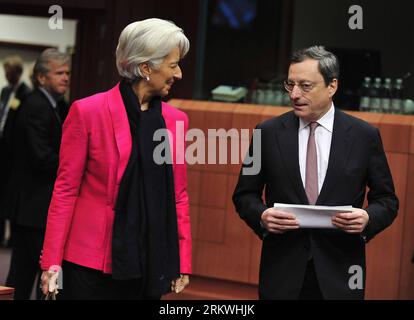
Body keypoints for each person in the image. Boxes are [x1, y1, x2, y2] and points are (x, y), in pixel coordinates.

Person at [40, 18, 192, 300]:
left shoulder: (176, 122)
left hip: (147, 258)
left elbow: (178, 196)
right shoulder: (87, 112)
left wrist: (182, 259)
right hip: (89, 263)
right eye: (173, 65)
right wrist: (51, 261)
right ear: (146, 68)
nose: (179, 74)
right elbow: (65, 190)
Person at [232, 46, 398, 300]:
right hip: (282, 274)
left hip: (341, 276)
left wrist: (367, 218)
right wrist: (262, 215)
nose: (295, 94)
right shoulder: (266, 133)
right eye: (290, 85)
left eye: (305, 86)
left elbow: (387, 200)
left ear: (332, 86)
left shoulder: (364, 136)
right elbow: (244, 195)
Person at [4, 48, 70, 299]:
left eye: (67, 73)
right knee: (34, 274)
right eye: (59, 73)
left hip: (37, 206)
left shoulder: (57, 105)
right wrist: (77, 168)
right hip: (34, 207)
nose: (65, 77)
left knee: (29, 272)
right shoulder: (36, 106)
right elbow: (42, 159)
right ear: (42, 78)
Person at [0, 55, 32, 248]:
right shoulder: (4, 91)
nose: (7, 76)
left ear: (18, 73)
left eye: (10, 73)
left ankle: (12, 236)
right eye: (5, 72)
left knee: (10, 193)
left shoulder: (25, 93)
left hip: (13, 151)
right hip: (2, 147)